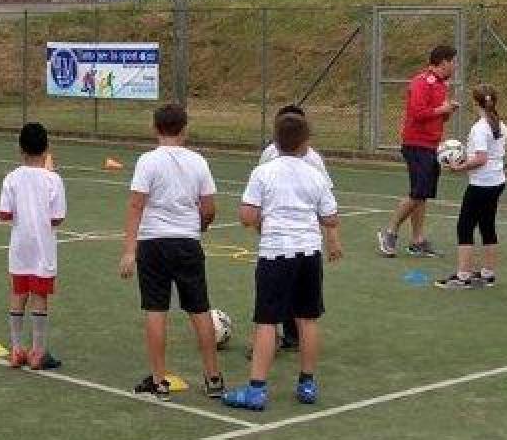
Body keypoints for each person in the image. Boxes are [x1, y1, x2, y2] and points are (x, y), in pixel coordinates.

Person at [224, 110, 342, 411]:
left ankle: (256, 390)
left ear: (275, 142)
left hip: (276, 253)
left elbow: (247, 216)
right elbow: (330, 217)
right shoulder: (315, 174)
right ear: (305, 143)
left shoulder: (263, 172)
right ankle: (307, 383)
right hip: (309, 253)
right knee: (308, 319)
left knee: (266, 321)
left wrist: (267, 217)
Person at [119, 103, 226, 398]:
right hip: (187, 242)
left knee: (156, 310)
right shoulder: (198, 162)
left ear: (155, 128)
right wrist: (200, 225)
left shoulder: (147, 161)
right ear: (185, 129)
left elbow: (136, 204)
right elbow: (209, 208)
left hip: (153, 243)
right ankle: (213, 378)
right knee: (199, 309)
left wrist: (129, 250)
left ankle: (159, 380)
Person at [257, 103, 331, 351]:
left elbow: (326, 202)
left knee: (287, 298)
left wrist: (332, 238)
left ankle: (288, 335)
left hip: (299, 238)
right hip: (280, 238)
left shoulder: (314, 161)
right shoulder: (269, 156)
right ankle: (279, 338)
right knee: (280, 295)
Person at [0, 122, 67, 370]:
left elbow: (4, 214)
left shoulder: (11, 178)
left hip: (19, 247)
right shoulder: (53, 179)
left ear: (20, 149)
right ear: (47, 148)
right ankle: (37, 352)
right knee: (40, 295)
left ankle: (17, 350)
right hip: (43, 248)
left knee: (18, 294)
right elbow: (57, 218)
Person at [378, 44, 459, 258]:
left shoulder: (441, 85)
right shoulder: (422, 82)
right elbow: (417, 113)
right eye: (453, 62)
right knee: (417, 193)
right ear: (443, 62)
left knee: (422, 195)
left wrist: (447, 111)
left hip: (431, 145)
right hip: (417, 144)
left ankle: (417, 240)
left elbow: (437, 116)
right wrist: (442, 109)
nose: (455, 66)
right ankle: (389, 232)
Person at [436, 85, 507, 289]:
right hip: (497, 181)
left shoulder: (480, 128)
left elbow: (481, 158)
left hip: (482, 184)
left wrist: (459, 167)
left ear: (476, 102)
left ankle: (463, 276)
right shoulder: (500, 125)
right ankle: (488, 274)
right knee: (487, 225)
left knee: (465, 226)